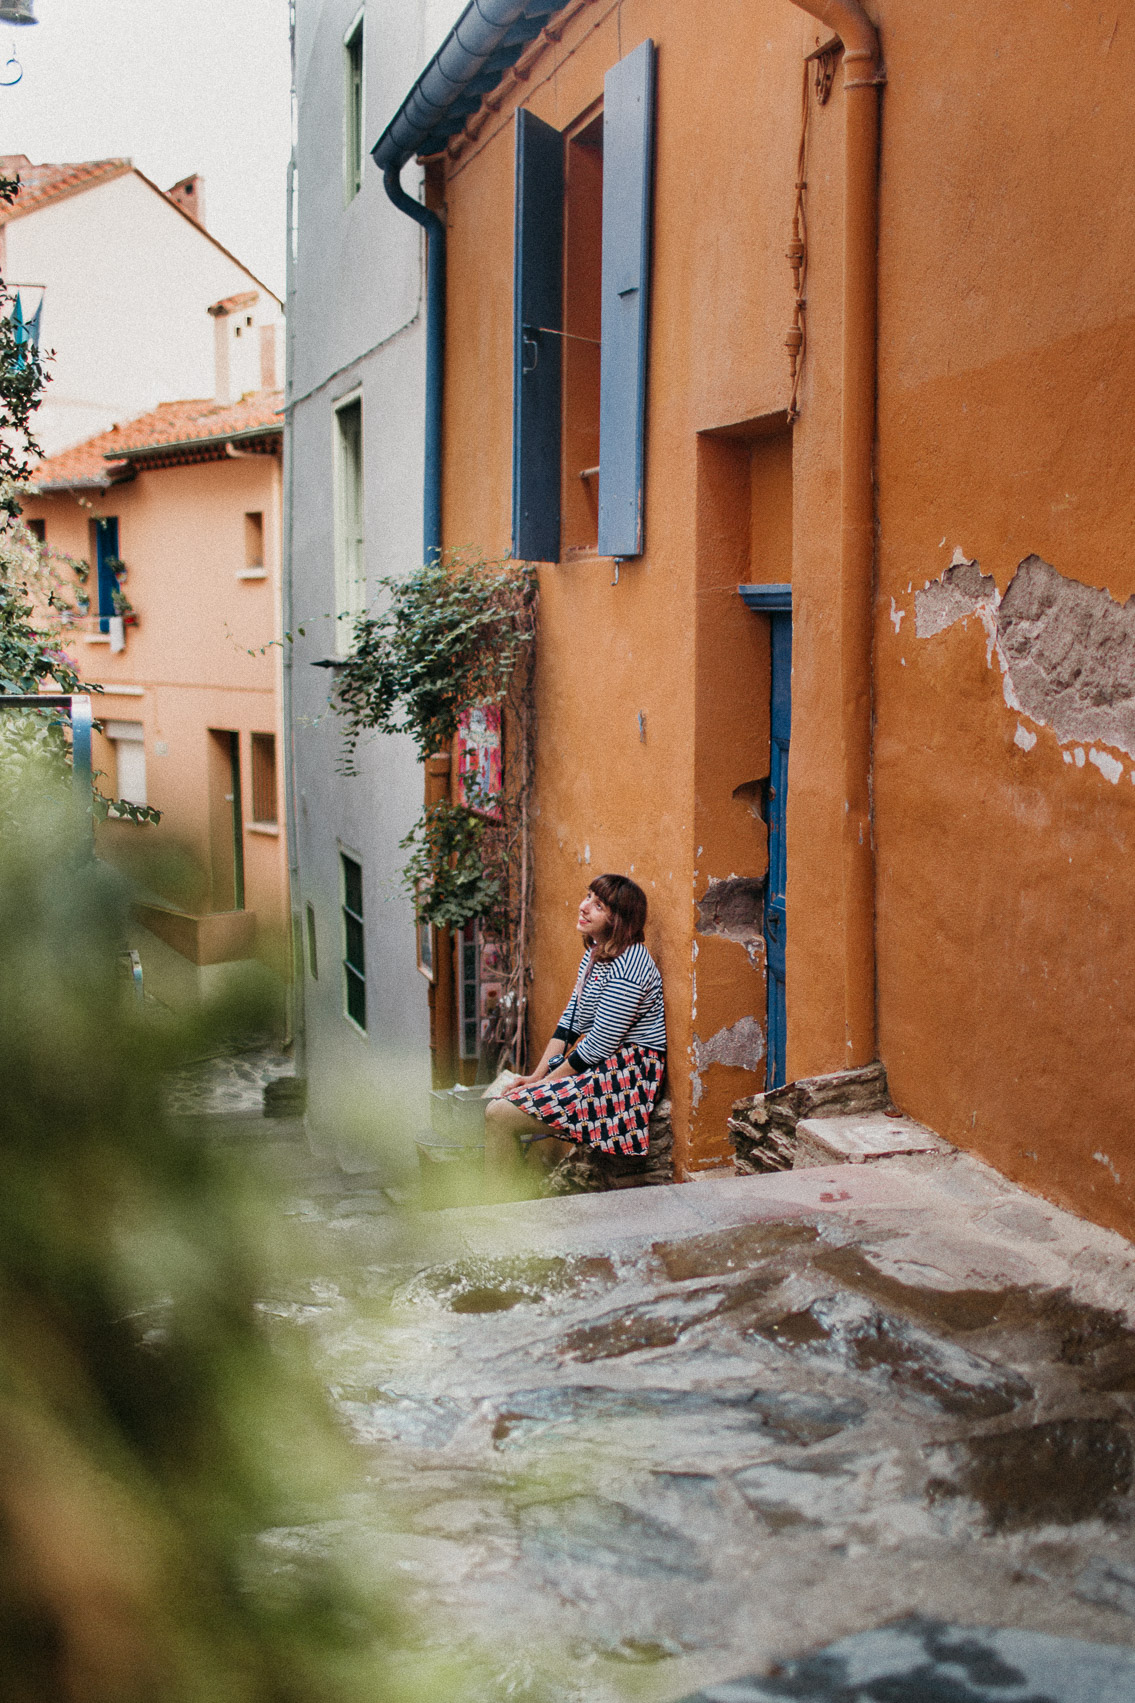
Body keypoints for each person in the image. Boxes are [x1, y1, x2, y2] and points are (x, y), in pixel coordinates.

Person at [485, 873, 666, 1181]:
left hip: (628, 1076)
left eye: (598, 905)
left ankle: (500, 1214)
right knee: (500, 1107)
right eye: (588, 898)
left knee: (500, 1115)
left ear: (619, 920)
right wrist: (535, 1076)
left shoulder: (631, 966)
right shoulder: (596, 953)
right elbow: (571, 1022)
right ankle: (502, 1206)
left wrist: (543, 1086)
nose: (583, 907)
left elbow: (598, 1045)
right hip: (604, 1065)